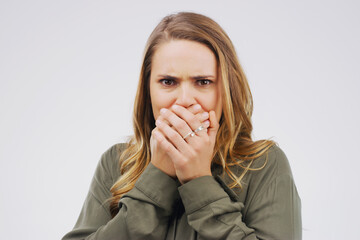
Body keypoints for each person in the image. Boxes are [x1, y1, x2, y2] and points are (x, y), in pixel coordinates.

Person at [62, 12, 301, 240]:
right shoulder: (116, 162)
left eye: (203, 82)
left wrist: (199, 182)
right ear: (148, 91)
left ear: (226, 90)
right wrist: (158, 176)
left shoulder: (264, 164)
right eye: (168, 82)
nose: (185, 99)